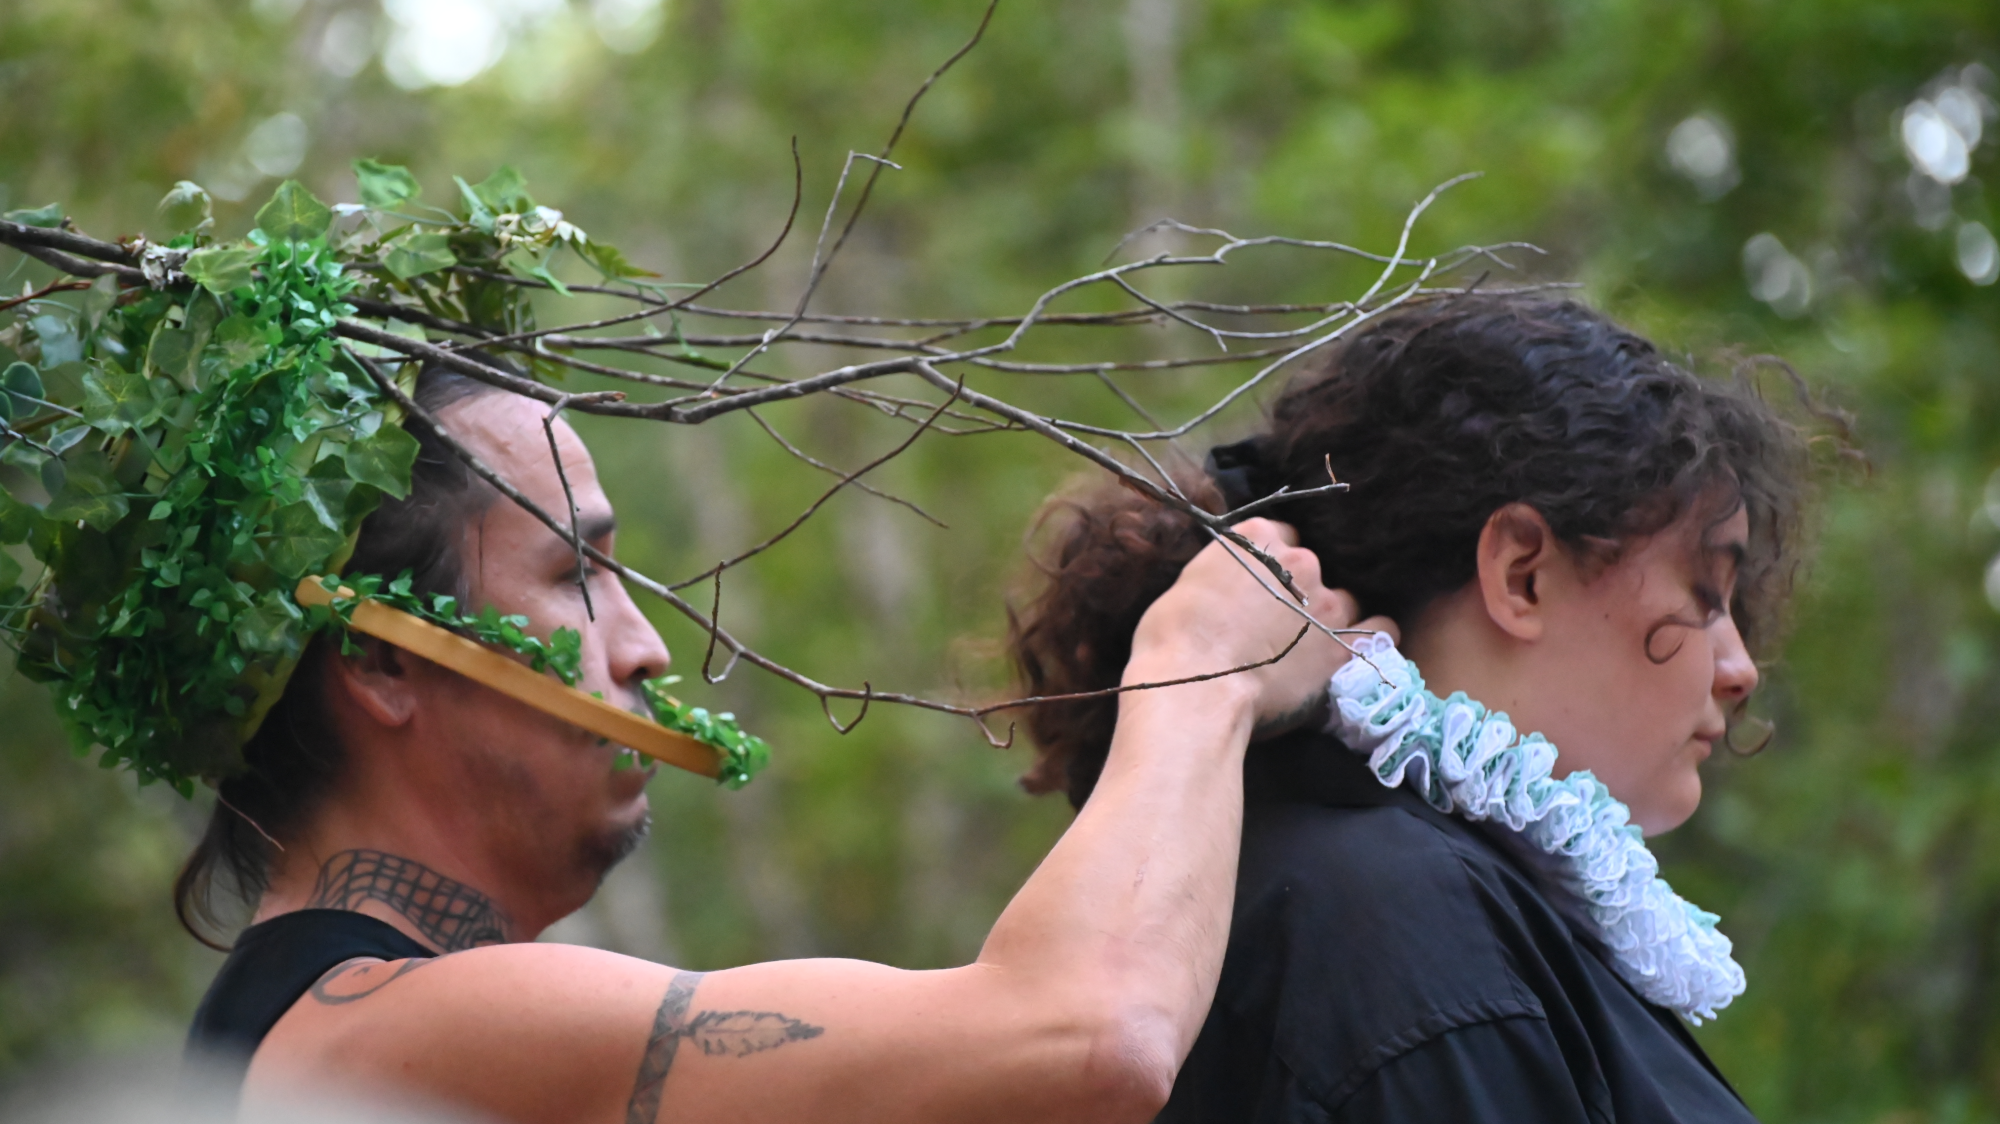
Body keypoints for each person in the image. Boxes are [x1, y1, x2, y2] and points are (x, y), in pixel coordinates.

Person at [177, 365, 1396, 1124]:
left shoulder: (310, 1025)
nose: (645, 647)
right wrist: (1201, 667)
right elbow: (1088, 1038)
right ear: (384, 659)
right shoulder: (397, 1028)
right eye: (576, 572)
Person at [1008, 294, 1819, 1122]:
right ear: (1522, 575)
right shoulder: (1406, 925)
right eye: (1706, 592)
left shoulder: (1388, 893)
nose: (1739, 669)